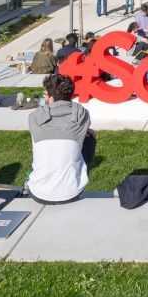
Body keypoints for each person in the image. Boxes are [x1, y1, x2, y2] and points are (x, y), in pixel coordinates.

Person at [26, 72, 95, 204]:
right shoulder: (82, 114)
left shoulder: (34, 117)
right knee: (90, 136)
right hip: (72, 192)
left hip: (39, 192)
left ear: (50, 97)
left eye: (45, 94)